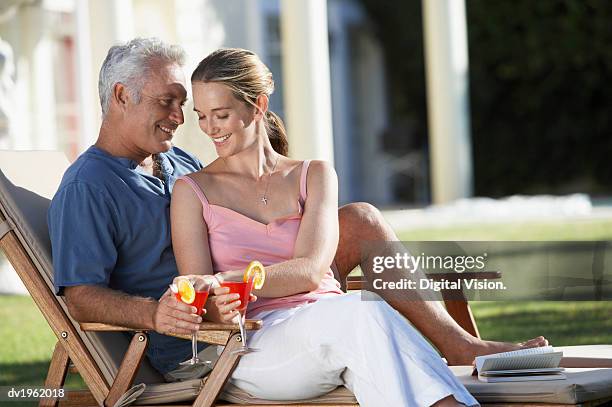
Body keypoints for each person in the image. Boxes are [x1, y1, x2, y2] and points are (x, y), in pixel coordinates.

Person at [48, 37, 544, 383]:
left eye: (189, 108)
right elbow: (79, 296)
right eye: (169, 103)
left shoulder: (176, 161)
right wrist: (157, 314)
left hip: (253, 293)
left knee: (361, 220)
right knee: (358, 309)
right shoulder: (88, 187)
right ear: (120, 95)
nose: (182, 119)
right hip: (204, 334)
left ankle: (457, 343)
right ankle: (440, 352)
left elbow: (233, 204)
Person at [170, 47, 479, 406]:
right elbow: (197, 293)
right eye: (202, 116)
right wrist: (215, 303)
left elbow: (311, 271)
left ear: (258, 105)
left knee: (367, 328)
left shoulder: (313, 174)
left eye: (220, 115)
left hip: (334, 327)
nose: (209, 129)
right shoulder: (192, 192)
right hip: (254, 347)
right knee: (364, 313)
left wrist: (230, 280)